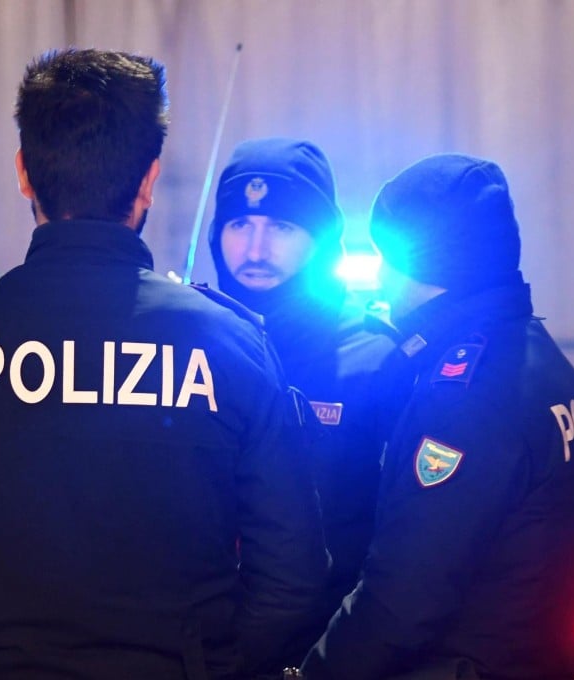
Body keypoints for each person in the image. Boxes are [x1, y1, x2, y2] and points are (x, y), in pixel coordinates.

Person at [0, 48, 328, 680]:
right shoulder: (232, 346)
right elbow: (293, 580)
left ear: (24, 172)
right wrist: (206, 662)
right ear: (148, 180)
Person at [301, 153, 574, 679]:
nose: (377, 273)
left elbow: (405, 596)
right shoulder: (546, 364)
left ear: (426, 259)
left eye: (384, 252)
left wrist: (313, 674)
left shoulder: (466, 394)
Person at [207, 137, 396, 661]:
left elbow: (406, 546)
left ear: (322, 239)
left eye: (283, 227)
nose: (256, 249)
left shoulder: (375, 355)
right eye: (240, 225)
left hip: (329, 652)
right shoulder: (190, 341)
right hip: (205, 654)